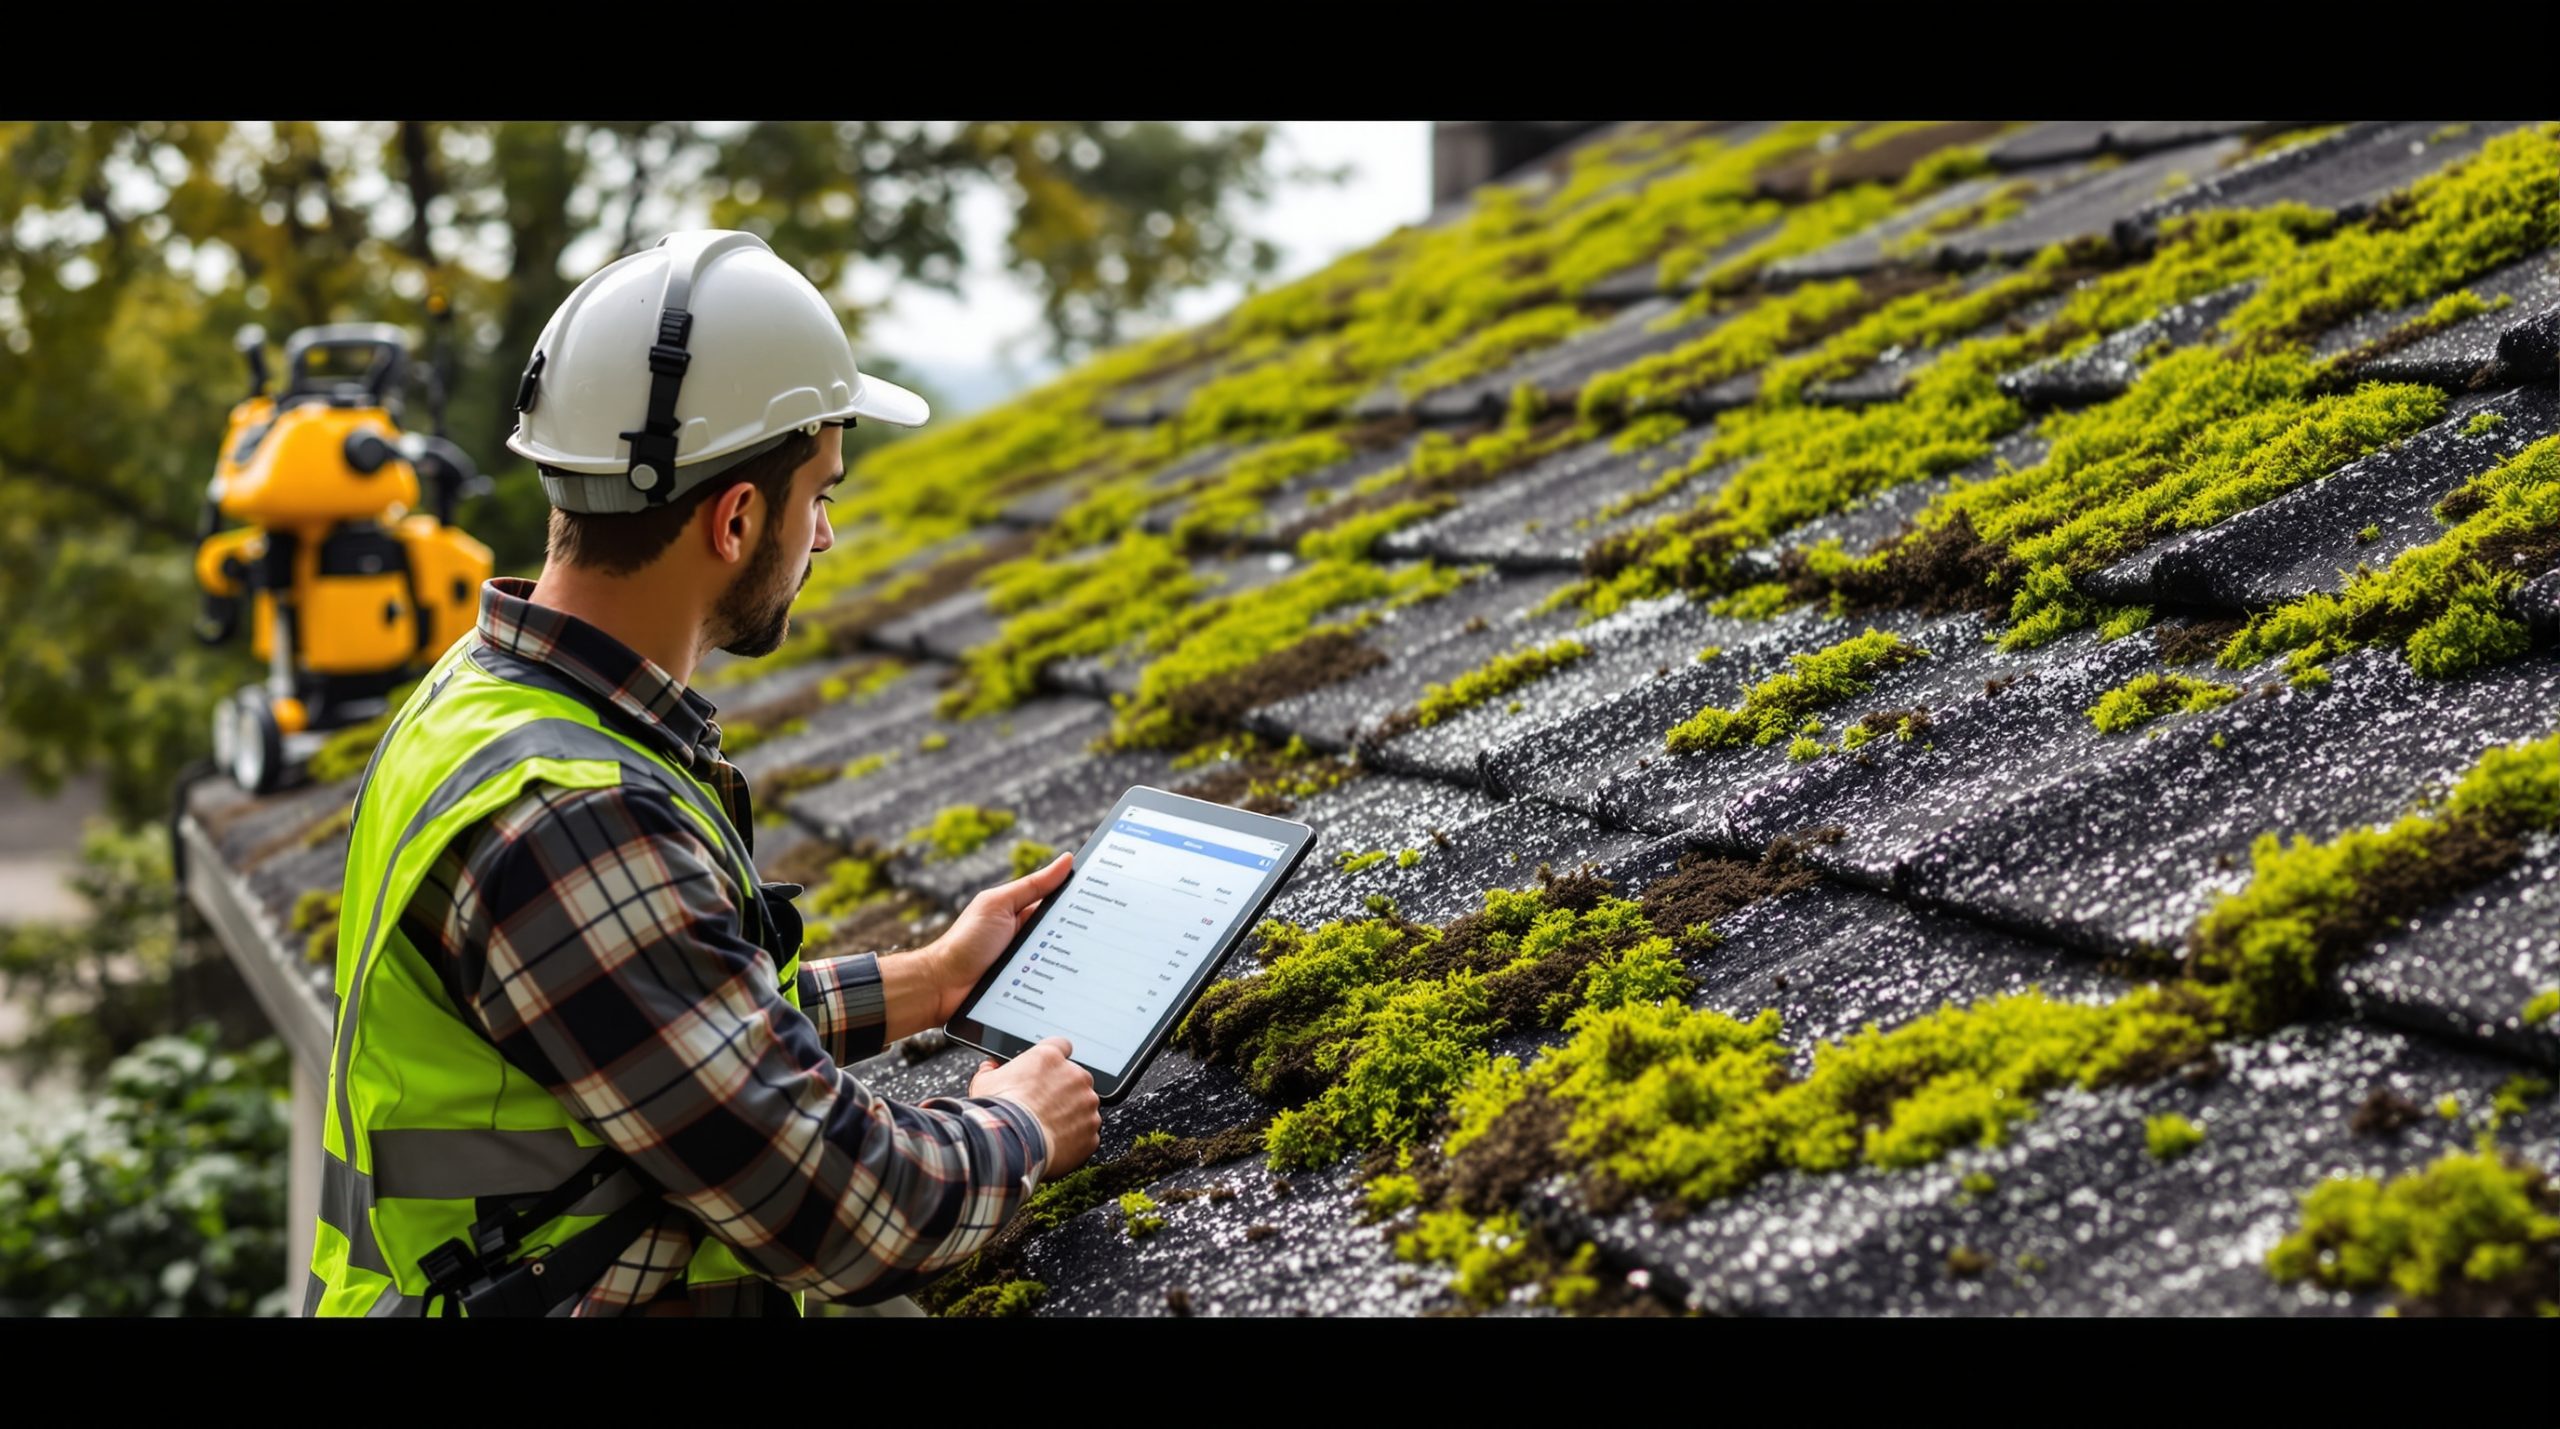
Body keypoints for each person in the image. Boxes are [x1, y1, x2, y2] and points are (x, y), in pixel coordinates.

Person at [303, 230, 1099, 1317]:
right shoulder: (571, 818)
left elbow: (664, 1023)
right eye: (819, 492)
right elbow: (852, 1214)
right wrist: (1019, 1126)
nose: (822, 535)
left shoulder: (479, 697)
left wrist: (934, 978)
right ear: (733, 519)